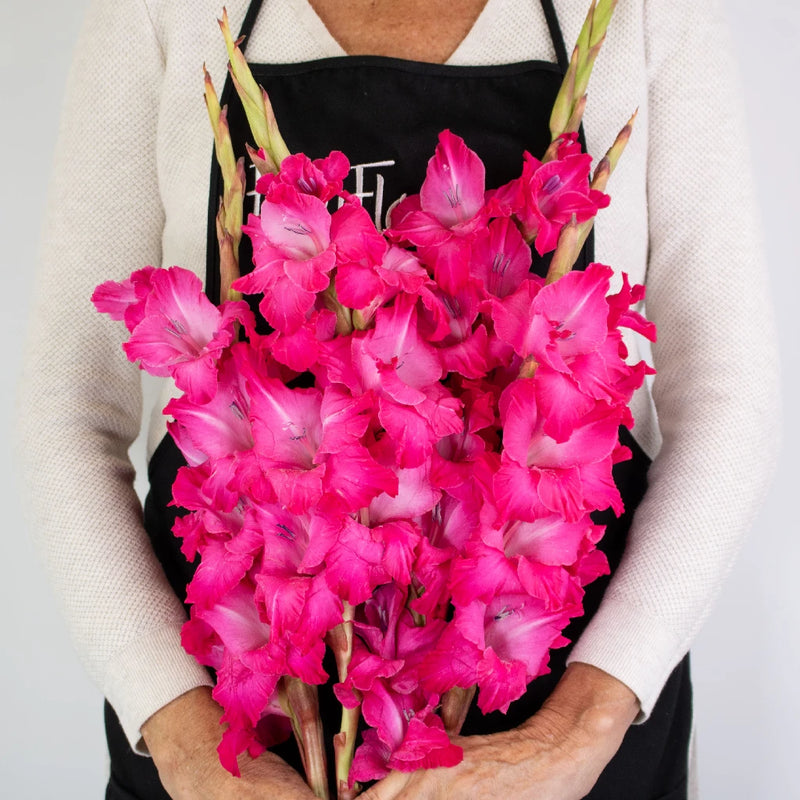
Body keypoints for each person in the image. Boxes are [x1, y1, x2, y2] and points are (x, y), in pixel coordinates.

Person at [18, 0, 779, 798]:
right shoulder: (158, 12)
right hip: (239, 742)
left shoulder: (649, 13)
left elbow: (729, 396)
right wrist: (179, 733)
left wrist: (571, 736)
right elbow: (67, 410)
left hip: (562, 724)